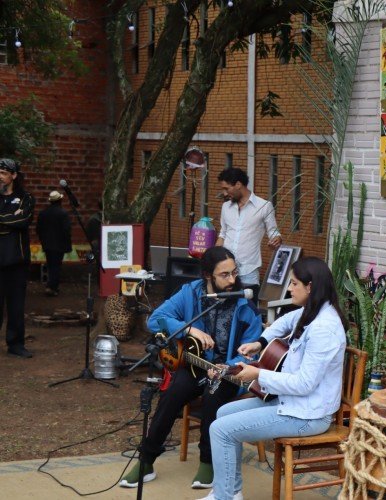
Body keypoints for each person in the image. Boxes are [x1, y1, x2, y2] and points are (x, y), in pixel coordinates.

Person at [201, 257, 347, 500]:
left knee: (221, 430)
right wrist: (260, 343)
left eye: (293, 283)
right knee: (223, 414)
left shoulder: (324, 329)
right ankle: (232, 491)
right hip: (291, 403)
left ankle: (223, 497)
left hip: (308, 415)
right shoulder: (311, 312)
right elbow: (284, 322)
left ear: (309, 287)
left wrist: (258, 373)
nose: (289, 288)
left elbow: (304, 384)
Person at [118, 246, 263, 490]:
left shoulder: (243, 303)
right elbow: (155, 320)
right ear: (208, 275)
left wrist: (227, 368)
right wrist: (190, 329)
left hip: (230, 373)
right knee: (172, 393)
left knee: (213, 395)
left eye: (234, 273)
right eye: (224, 275)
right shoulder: (190, 293)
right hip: (196, 365)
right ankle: (147, 461)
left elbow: (254, 349)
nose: (232, 280)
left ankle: (208, 462)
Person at [216, 168, 281, 296]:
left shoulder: (264, 206)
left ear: (238, 185)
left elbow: (274, 233)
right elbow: (223, 234)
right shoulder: (225, 207)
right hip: (224, 269)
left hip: (248, 271)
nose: (224, 193)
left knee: (248, 310)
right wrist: (213, 258)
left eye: (226, 188)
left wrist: (276, 240)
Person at [0, 158, 35, 358]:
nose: (0, 177)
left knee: (16, 305)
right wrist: (10, 219)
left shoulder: (26, 198)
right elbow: (15, 219)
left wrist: (10, 220)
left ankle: (15, 344)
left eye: (4, 173)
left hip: (17, 261)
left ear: (13, 175)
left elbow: (23, 220)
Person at [36, 190, 72, 296]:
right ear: (60, 200)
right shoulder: (63, 213)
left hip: (47, 244)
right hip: (59, 244)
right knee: (56, 265)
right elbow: (66, 230)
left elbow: (38, 229)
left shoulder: (43, 213)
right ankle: (52, 287)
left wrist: (43, 240)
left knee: (51, 264)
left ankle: (51, 286)